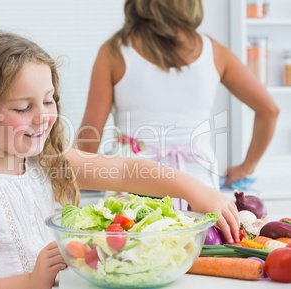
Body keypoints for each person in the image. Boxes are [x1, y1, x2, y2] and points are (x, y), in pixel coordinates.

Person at [0, 30, 239, 289]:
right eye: (23, 108)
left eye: (48, 101)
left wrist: (196, 190)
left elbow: (125, 172)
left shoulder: (48, 160)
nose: (42, 117)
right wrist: (29, 282)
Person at [76, 0, 279, 208]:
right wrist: (247, 167)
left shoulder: (114, 52)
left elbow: (89, 137)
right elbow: (269, 111)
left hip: (133, 184)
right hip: (199, 189)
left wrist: (71, 183)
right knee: (202, 240)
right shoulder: (215, 52)